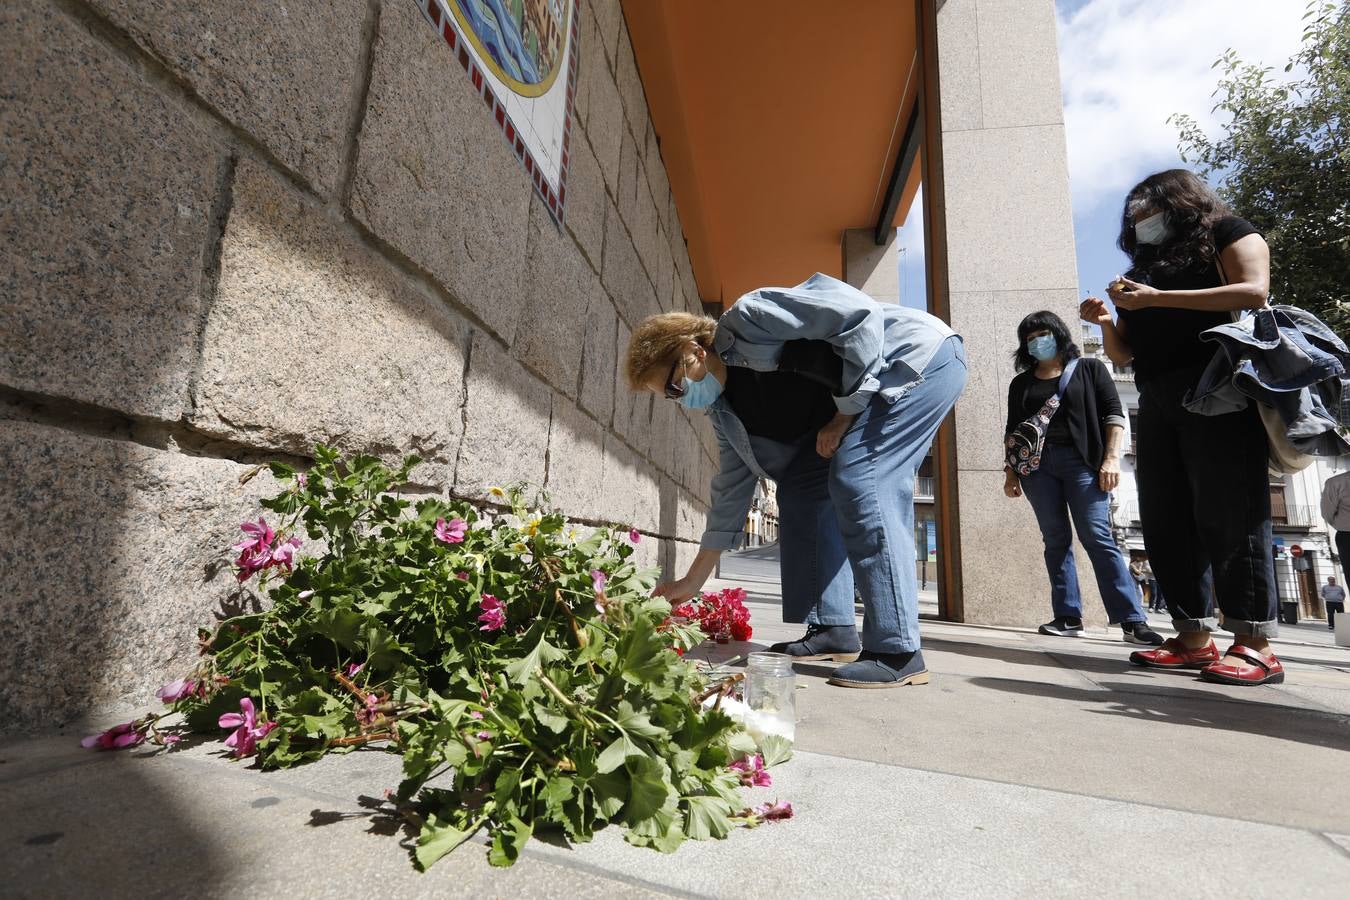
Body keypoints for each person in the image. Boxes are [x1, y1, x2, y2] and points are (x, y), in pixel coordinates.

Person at [627, 273, 966, 688]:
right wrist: (692, 580)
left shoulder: (752, 317)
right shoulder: (724, 413)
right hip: (849, 411)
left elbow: (858, 317)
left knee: (860, 477)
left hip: (916, 361)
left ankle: (898, 651)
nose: (679, 400)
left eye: (675, 387)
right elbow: (730, 493)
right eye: (669, 397)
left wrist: (843, 416)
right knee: (803, 490)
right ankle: (832, 629)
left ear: (694, 351)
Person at [1080, 169, 1282, 685]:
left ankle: (1254, 642)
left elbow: (1254, 292)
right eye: (1134, 215)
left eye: (1148, 209)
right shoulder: (1145, 267)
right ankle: (1193, 637)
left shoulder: (1229, 231)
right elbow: (1124, 353)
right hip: (1157, 397)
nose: (1139, 221)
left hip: (1217, 387)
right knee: (1167, 516)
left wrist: (1154, 299)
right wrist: (1106, 320)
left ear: (1179, 201)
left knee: (1229, 509)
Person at [1003, 311, 1163, 646]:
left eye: (1042, 334)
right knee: (1055, 540)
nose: (1036, 342)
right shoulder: (1021, 383)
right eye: (1030, 338)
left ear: (1059, 334)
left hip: (1083, 464)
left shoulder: (1090, 369)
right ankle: (1067, 616)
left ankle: (1133, 620)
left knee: (1097, 537)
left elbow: (1114, 415)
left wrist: (1110, 460)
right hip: (1036, 469)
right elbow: (1013, 431)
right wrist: (1011, 473)